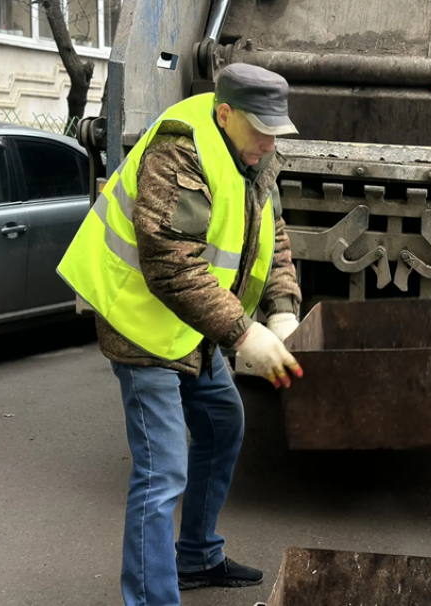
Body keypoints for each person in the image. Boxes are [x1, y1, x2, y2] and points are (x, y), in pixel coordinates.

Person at [57, 63, 305, 605]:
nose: (269, 143)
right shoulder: (179, 149)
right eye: (262, 130)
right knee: (161, 469)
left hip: (193, 326)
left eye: (275, 132)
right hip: (143, 323)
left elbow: (274, 233)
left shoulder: (254, 153)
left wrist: (283, 309)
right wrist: (246, 335)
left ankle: (195, 556)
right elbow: (171, 266)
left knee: (222, 424)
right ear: (225, 113)